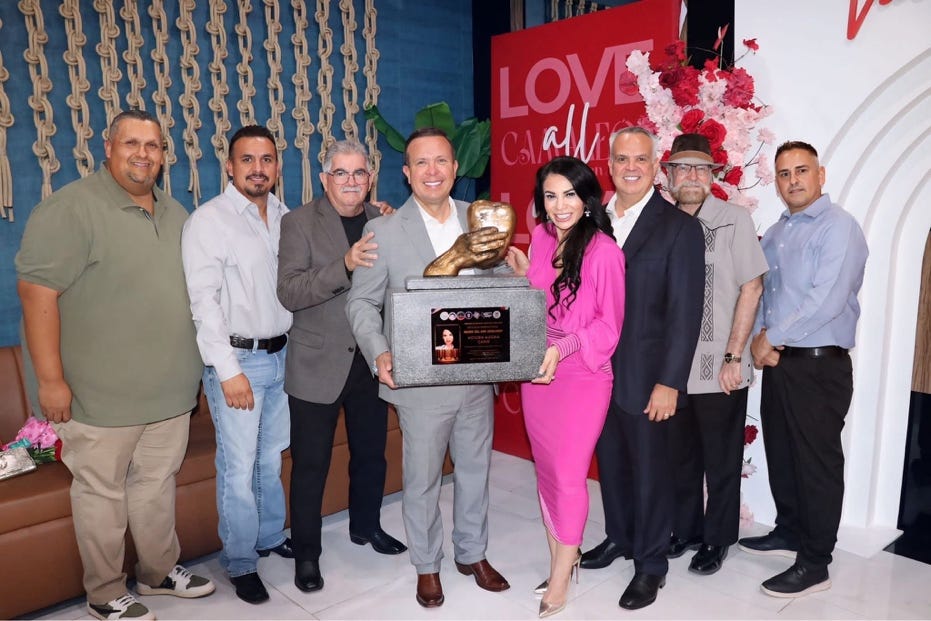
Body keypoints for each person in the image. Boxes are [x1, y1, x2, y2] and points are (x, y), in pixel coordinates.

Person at [16, 109, 214, 621]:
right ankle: (104, 593)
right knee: (101, 494)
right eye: (131, 143)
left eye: (153, 145)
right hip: (97, 399)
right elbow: (37, 294)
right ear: (107, 148)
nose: (143, 154)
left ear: (164, 155)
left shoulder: (175, 212)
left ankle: (157, 572)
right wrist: (51, 381)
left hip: (168, 395)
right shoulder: (70, 209)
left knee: (156, 485)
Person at [346, 127, 511, 608]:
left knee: (475, 471)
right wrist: (379, 352)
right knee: (421, 480)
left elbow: (499, 283)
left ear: (455, 168)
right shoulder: (382, 231)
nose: (432, 171)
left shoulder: (480, 218)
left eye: (441, 161)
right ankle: (427, 565)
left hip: (475, 375)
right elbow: (361, 303)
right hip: (418, 380)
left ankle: (472, 554)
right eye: (421, 162)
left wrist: (511, 268)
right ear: (407, 172)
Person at [579, 126, 705, 610]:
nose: (630, 167)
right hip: (596, 373)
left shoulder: (679, 229)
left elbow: (685, 314)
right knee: (611, 464)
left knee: (652, 474)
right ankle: (621, 536)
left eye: (640, 159)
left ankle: (651, 565)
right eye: (621, 159)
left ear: (656, 167)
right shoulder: (592, 222)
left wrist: (670, 382)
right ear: (609, 166)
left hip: (648, 377)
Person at [276, 139, 406, 595]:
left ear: (370, 178)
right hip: (317, 363)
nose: (351, 181)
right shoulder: (297, 223)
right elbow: (290, 292)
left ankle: (366, 527)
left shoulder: (384, 221)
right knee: (310, 465)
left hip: (371, 360)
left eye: (359, 173)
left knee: (371, 454)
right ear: (324, 178)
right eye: (341, 173)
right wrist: (345, 265)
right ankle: (307, 553)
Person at [742, 141, 868, 597]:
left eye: (801, 170)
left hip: (819, 366)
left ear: (820, 174)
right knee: (783, 453)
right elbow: (767, 293)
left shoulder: (839, 227)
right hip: (782, 363)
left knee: (816, 464)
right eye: (784, 173)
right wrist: (761, 341)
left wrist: (770, 337)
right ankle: (791, 531)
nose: (792, 180)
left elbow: (826, 300)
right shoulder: (778, 231)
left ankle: (815, 563)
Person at [505, 156, 625, 618]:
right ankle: (561, 558)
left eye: (569, 195)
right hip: (539, 373)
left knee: (570, 475)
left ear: (587, 198)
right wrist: (523, 277)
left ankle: (560, 577)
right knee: (548, 473)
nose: (560, 206)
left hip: (582, 377)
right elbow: (542, 302)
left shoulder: (604, 252)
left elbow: (609, 327)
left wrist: (565, 346)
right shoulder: (540, 237)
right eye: (550, 196)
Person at [181, 125, 293, 605]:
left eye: (266, 159)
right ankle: (242, 561)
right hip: (239, 359)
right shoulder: (209, 221)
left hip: (283, 355)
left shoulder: (287, 217)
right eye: (247, 159)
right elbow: (203, 303)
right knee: (239, 465)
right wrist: (228, 371)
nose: (257, 168)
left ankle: (269, 536)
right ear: (229, 166)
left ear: (277, 167)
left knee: (271, 456)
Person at [661, 134, 768, 575]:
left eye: (700, 169)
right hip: (673, 369)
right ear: (668, 176)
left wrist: (732, 356)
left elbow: (752, 287)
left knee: (720, 460)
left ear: (712, 176)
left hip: (719, 365)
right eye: (683, 168)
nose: (692, 176)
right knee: (679, 456)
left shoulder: (733, 219)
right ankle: (686, 530)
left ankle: (718, 538)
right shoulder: (661, 223)